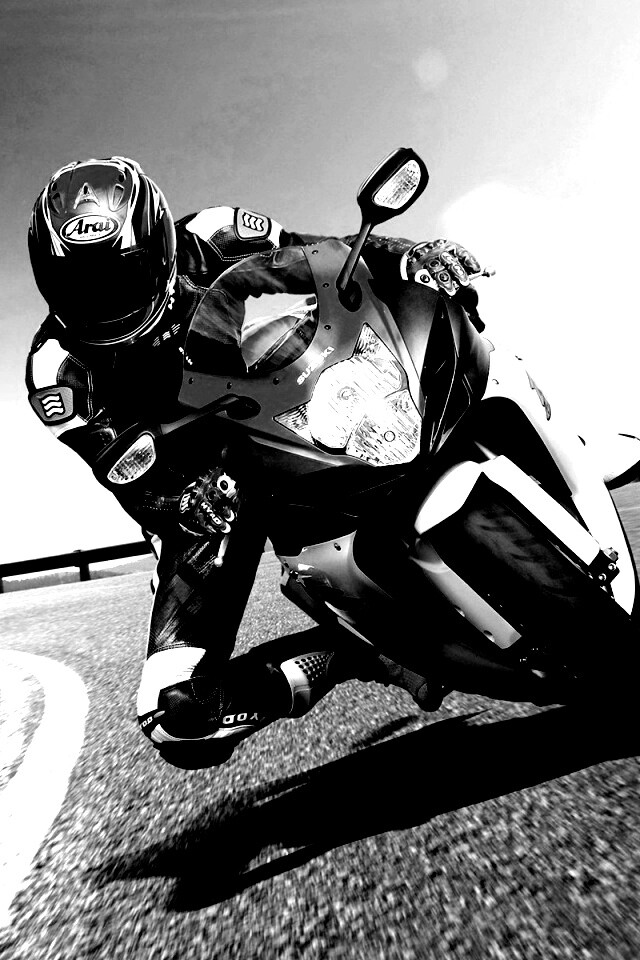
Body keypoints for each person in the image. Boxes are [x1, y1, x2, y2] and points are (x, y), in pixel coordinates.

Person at [24, 155, 496, 769]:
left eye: (122, 275)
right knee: (178, 719)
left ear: (160, 247)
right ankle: (355, 652)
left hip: (275, 401)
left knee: (418, 333)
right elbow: (125, 472)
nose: (104, 301)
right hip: (197, 498)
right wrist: (180, 500)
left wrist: (410, 255)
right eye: (80, 287)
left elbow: (322, 254)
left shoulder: (212, 234)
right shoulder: (55, 371)